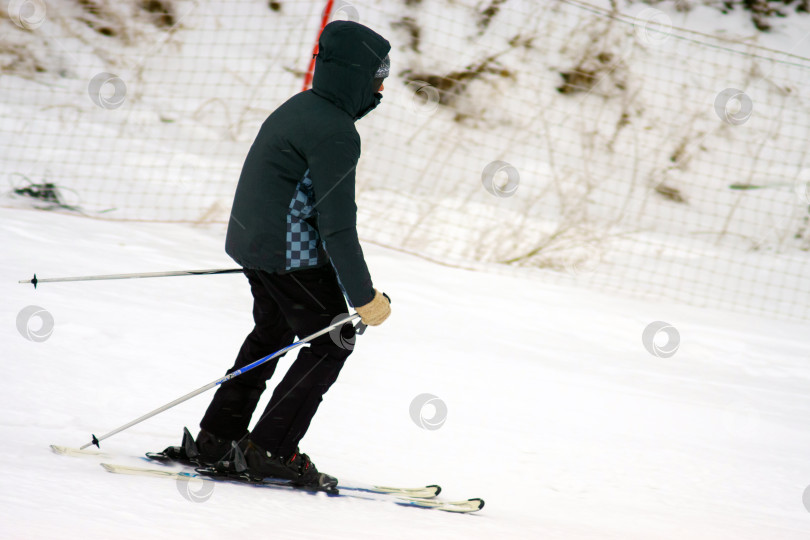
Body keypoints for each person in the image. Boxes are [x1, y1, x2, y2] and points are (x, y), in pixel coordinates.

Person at [172, 21, 392, 490]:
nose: (382, 85)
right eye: (379, 74)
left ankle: (218, 437)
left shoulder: (301, 106)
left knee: (273, 329)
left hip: (255, 245)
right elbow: (337, 226)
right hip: (288, 255)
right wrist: (363, 297)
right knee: (333, 339)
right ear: (356, 75)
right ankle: (269, 450)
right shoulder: (336, 132)